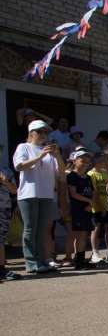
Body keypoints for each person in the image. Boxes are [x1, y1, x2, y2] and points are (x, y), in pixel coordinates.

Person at [13, 120, 65, 274]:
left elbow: (61, 171)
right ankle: (31, 263)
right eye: (39, 131)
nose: (43, 135)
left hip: (47, 194)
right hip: (28, 193)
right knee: (30, 229)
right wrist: (40, 155)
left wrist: (57, 156)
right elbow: (20, 166)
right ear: (31, 133)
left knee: (42, 230)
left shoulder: (49, 151)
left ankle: (42, 260)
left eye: (45, 132)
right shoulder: (24, 147)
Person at [67, 150, 98, 271]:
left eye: (87, 162)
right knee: (79, 234)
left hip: (87, 209)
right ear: (74, 161)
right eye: (82, 161)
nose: (85, 164)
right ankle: (78, 259)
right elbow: (73, 193)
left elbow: (93, 193)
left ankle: (82, 257)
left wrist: (91, 203)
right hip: (77, 208)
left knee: (85, 233)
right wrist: (89, 201)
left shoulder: (88, 177)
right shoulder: (72, 176)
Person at [0, 143, 21, 281]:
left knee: (0, 240)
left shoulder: (6, 171)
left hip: (3, 208)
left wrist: (5, 182)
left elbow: (14, 190)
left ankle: (1, 268)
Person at [87, 153, 108, 264]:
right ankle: (95, 252)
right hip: (96, 207)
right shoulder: (90, 174)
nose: (106, 162)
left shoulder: (106, 173)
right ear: (97, 162)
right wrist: (101, 206)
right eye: (104, 161)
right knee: (96, 229)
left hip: (107, 205)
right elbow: (95, 192)